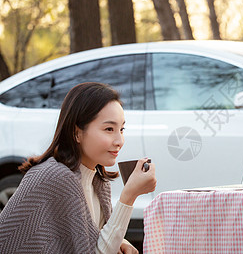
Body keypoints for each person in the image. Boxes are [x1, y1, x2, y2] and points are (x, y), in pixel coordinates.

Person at [0, 82, 157, 253]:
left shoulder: (98, 182)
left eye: (122, 129)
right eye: (109, 129)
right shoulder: (56, 178)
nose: (119, 140)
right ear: (77, 133)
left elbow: (93, 243)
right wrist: (129, 196)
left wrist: (120, 240)